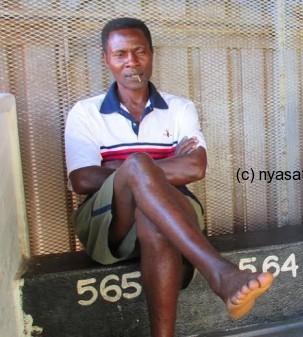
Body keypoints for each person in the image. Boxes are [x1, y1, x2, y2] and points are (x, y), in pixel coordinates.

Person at [64, 17, 273, 337]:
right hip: (107, 225)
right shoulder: (86, 112)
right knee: (137, 165)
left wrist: (135, 171)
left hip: (168, 217)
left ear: (151, 53)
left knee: (152, 217)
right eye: (120, 54)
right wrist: (149, 167)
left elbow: (195, 168)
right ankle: (219, 272)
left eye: (139, 51)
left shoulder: (180, 108)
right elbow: (81, 180)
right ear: (107, 59)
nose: (131, 61)